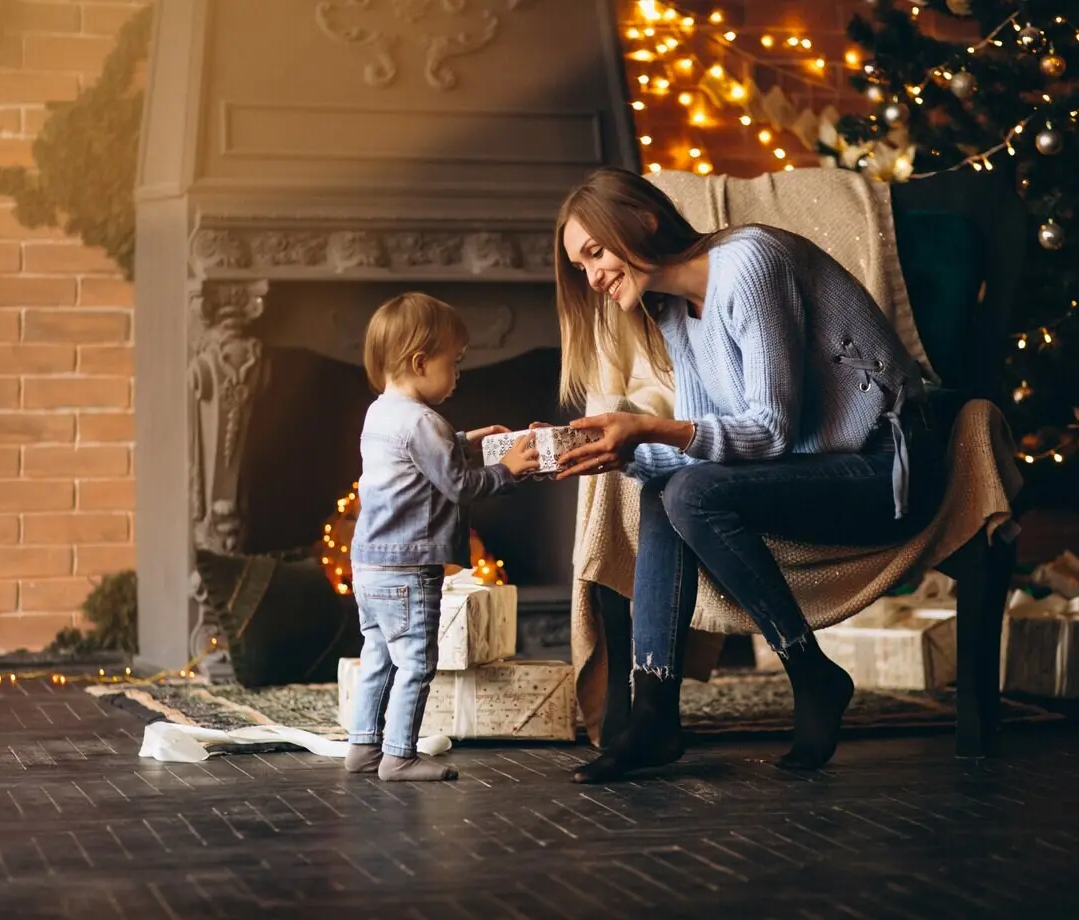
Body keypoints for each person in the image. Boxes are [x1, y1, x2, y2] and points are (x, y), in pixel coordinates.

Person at [549, 167, 944, 783]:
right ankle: (654, 712)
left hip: (889, 467)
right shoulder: (675, 311)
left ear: (645, 221)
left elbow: (769, 430)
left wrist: (646, 430)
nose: (593, 277)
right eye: (581, 267)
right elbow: (709, 446)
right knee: (666, 489)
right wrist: (614, 456)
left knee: (689, 490)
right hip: (812, 469)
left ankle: (810, 671)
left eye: (595, 252)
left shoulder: (751, 264)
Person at [345, 292, 540, 782]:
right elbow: (460, 485)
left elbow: (417, 457)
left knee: (378, 657)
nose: (457, 375)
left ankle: (363, 747)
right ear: (419, 361)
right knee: (416, 662)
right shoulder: (424, 422)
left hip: (368, 565)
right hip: (409, 567)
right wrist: (508, 468)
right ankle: (399, 756)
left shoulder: (380, 413)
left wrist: (464, 440)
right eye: (453, 364)